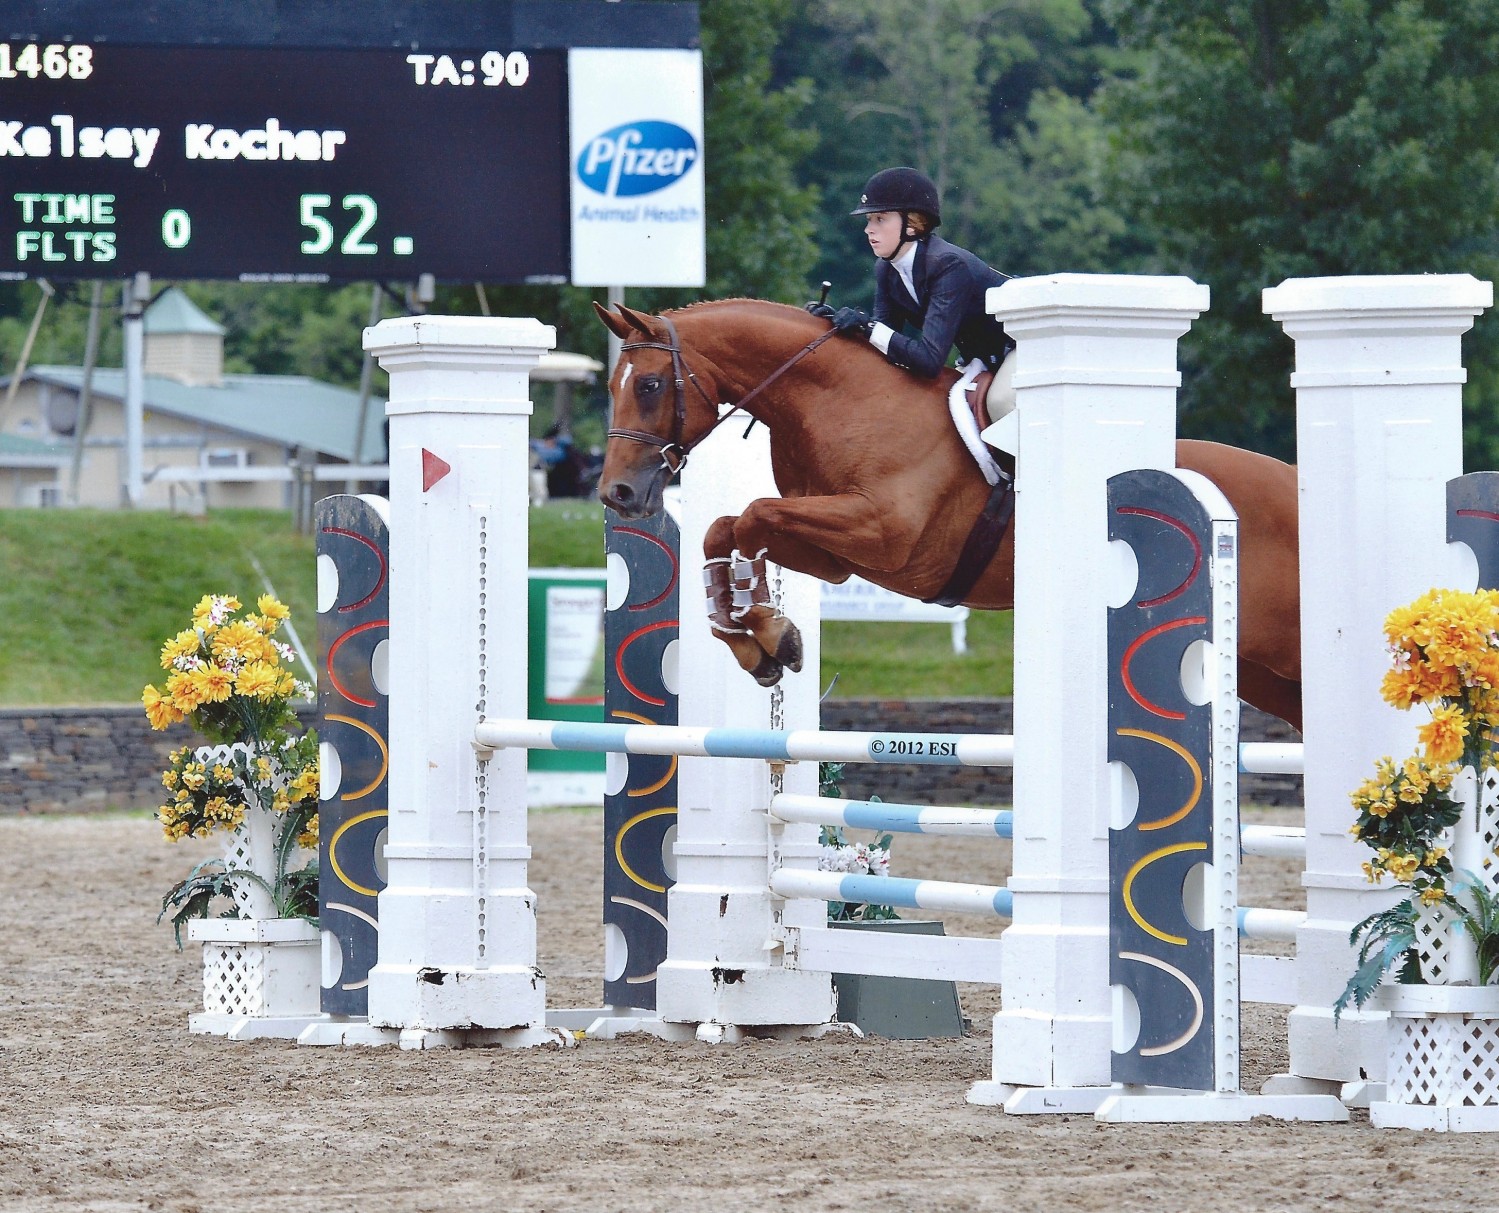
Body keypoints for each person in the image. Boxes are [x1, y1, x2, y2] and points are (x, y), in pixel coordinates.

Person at [809, 167, 1017, 446]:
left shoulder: (948, 265)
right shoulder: (886, 269)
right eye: (870, 219)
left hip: (1022, 347)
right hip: (980, 359)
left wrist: (866, 326)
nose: (868, 229)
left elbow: (929, 360)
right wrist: (839, 325)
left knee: (1001, 403)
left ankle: (1017, 486)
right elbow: (884, 344)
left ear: (912, 224)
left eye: (880, 219)